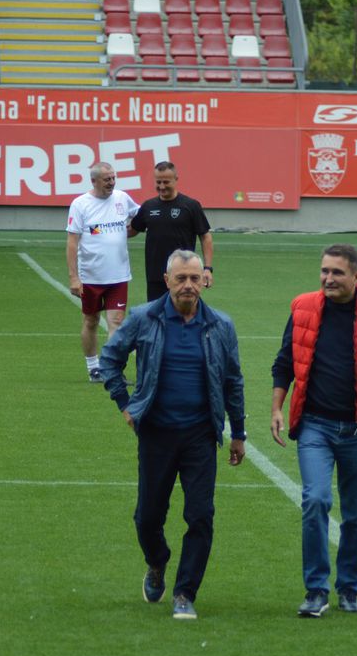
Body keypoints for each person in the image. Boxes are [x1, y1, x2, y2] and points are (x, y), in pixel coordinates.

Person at [98, 250, 246, 621]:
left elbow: (233, 381)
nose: (188, 286)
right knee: (147, 518)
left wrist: (238, 432)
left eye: (195, 278)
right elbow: (110, 360)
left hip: (200, 435)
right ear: (166, 281)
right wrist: (124, 403)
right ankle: (157, 562)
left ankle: (184, 592)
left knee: (200, 516)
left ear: (204, 281)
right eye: (180, 278)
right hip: (157, 434)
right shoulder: (144, 318)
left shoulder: (220, 325)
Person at [270, 244, 357, 618]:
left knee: (356, 515)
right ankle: (316, 590)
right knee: (315, 499)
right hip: (315, 424)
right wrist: (277, 408)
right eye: (324, 271)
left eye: (337, 273)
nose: (328, 278)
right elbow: (284, 362)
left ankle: (349, 588)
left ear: (356, 277)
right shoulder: (303, 307)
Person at [66, 162, 140, 383]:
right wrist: (73, 277)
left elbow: (140, 218)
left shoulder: (122, 198)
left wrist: (130, 231)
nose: (111, 182)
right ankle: (93, 367)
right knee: (91, 321)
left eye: (113, 178)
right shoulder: (80, 204)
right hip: (90, 277)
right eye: (107, 179)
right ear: (94, 181)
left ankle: (111, 369)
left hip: (118, 276)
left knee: (116, 321)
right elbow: (72, 242)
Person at [129, 161, 214, 301]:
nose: (162, 186)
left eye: (166, 182)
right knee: (156, 318)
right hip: (155, 276)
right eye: (158, 182)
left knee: (183, 316)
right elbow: (132, 230)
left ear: (176, 179)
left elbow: (205, 237)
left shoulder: (191, 206)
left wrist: (207, 268)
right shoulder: (148, 206)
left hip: (183, 276)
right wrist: (101, 231)